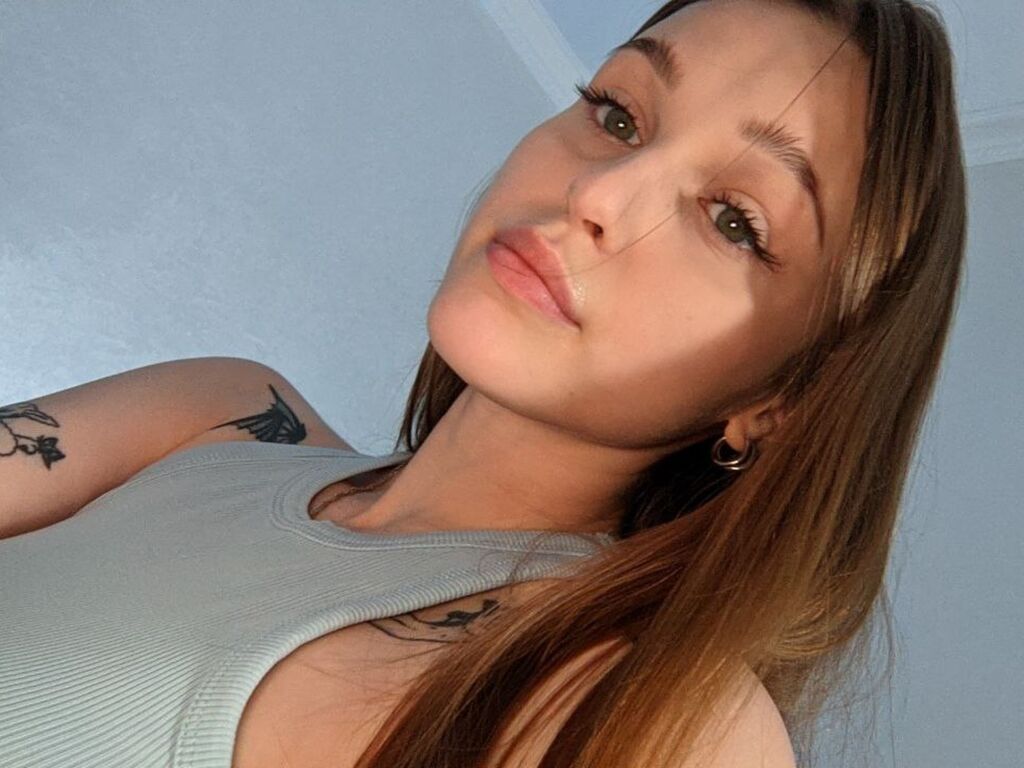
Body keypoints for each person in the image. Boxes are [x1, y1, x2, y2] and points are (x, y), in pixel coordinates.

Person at [0, 0, 966, 766]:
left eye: (734, 220)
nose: (596, 192)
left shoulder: (640, 708)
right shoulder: (221, 410)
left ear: (781, 401)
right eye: (618, 114)